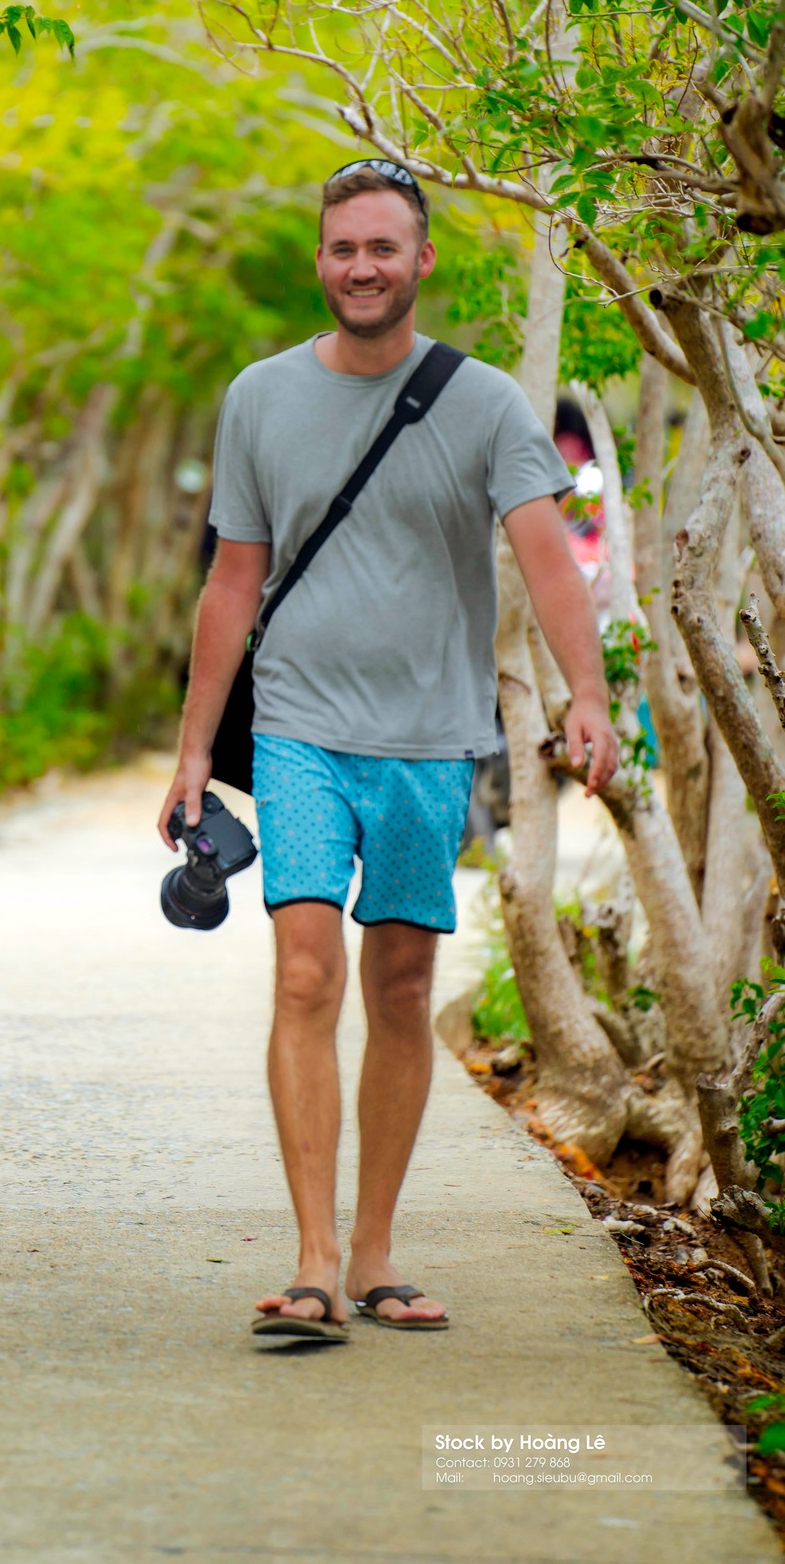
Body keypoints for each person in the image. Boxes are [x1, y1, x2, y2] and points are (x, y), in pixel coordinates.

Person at [159, 161, 618, 1340]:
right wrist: (194, 751)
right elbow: (233, 579)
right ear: (322, 262)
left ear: (420, 263)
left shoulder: (484, 404)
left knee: (403, 984)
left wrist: (591, 696)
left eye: (383, 247)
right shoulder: (260, 396)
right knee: (305, 970)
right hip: (301, 728)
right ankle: (311, 1254)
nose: (361, 266)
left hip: (429, 738)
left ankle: (373, 1250)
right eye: (343, 248)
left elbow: (548, 554)